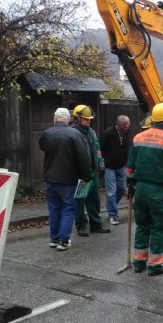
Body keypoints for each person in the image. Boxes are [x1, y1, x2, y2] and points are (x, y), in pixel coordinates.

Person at [126, 103, 163, 276]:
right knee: (159, 226)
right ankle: (155, 265)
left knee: (142, 224)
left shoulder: (138, 137)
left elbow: (130, 166)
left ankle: (139, 262)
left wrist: (130, 185)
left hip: (140, 188)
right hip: (158, 190)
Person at [39, 108, 91, 251]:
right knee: (68, 209)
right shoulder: (75, 134)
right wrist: (86, 177)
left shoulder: (46, 134)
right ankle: (63, 240)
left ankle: (53, 239)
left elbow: (42, 147)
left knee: (54, 209)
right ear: (68, 119)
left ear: (55, 119)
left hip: (50, 179)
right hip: (68, 180)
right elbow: (83, 157)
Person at [71, 105, 110, 236]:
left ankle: (96, 224)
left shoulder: (91, 132)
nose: (88, 121)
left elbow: (97, 148)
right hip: (81, 173)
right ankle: (81, 225)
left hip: (92, 171)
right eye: (85, 119)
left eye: (89, 119)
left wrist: (101, 164)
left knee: (94, 200)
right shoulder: (73, 133)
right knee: (80, 200)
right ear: (77, 118)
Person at [99, 115, 132, 225]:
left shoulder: (127, 132)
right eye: (125, 124)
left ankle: (110, 206)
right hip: (110, 167)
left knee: (122, 189)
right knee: (111, 191)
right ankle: (113, 215)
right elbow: (101, 149)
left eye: (128, 123)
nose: (128, 126)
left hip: (121, 166)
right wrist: (102, 163)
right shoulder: (108, 133)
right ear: (120, 125)